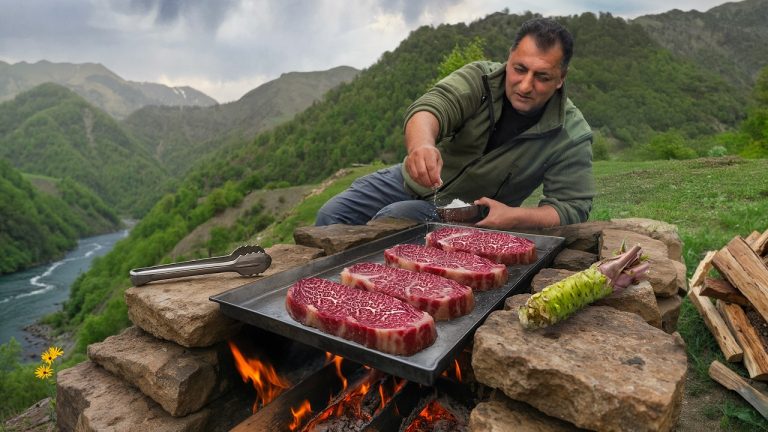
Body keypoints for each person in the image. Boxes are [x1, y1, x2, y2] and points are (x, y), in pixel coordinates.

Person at [316, 17, 594, 230]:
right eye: (519, 69)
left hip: (464, 212)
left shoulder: (571, 134)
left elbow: (571, 206)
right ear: (509, 59)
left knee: (392, 222)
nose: (525, 85)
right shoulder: (479, 78)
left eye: (542, 77)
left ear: (561, 77)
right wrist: (422, 146)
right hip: (407, 179)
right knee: (332, 215)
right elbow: (431, 107)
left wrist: (513, 216)